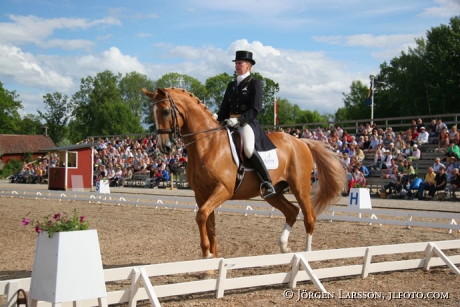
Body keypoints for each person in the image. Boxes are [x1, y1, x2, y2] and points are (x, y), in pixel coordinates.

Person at [215, 50, 276, 198]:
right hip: (230, 123)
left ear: (248, 65)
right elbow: (224, 108)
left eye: (240, 63)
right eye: (236, 63)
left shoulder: (254, 83)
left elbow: (256, 108)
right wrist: (216, 117)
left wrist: (239, 120)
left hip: (247, 123)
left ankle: (267, 182)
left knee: (248, 149)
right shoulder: (231, 85)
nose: (237, 65)